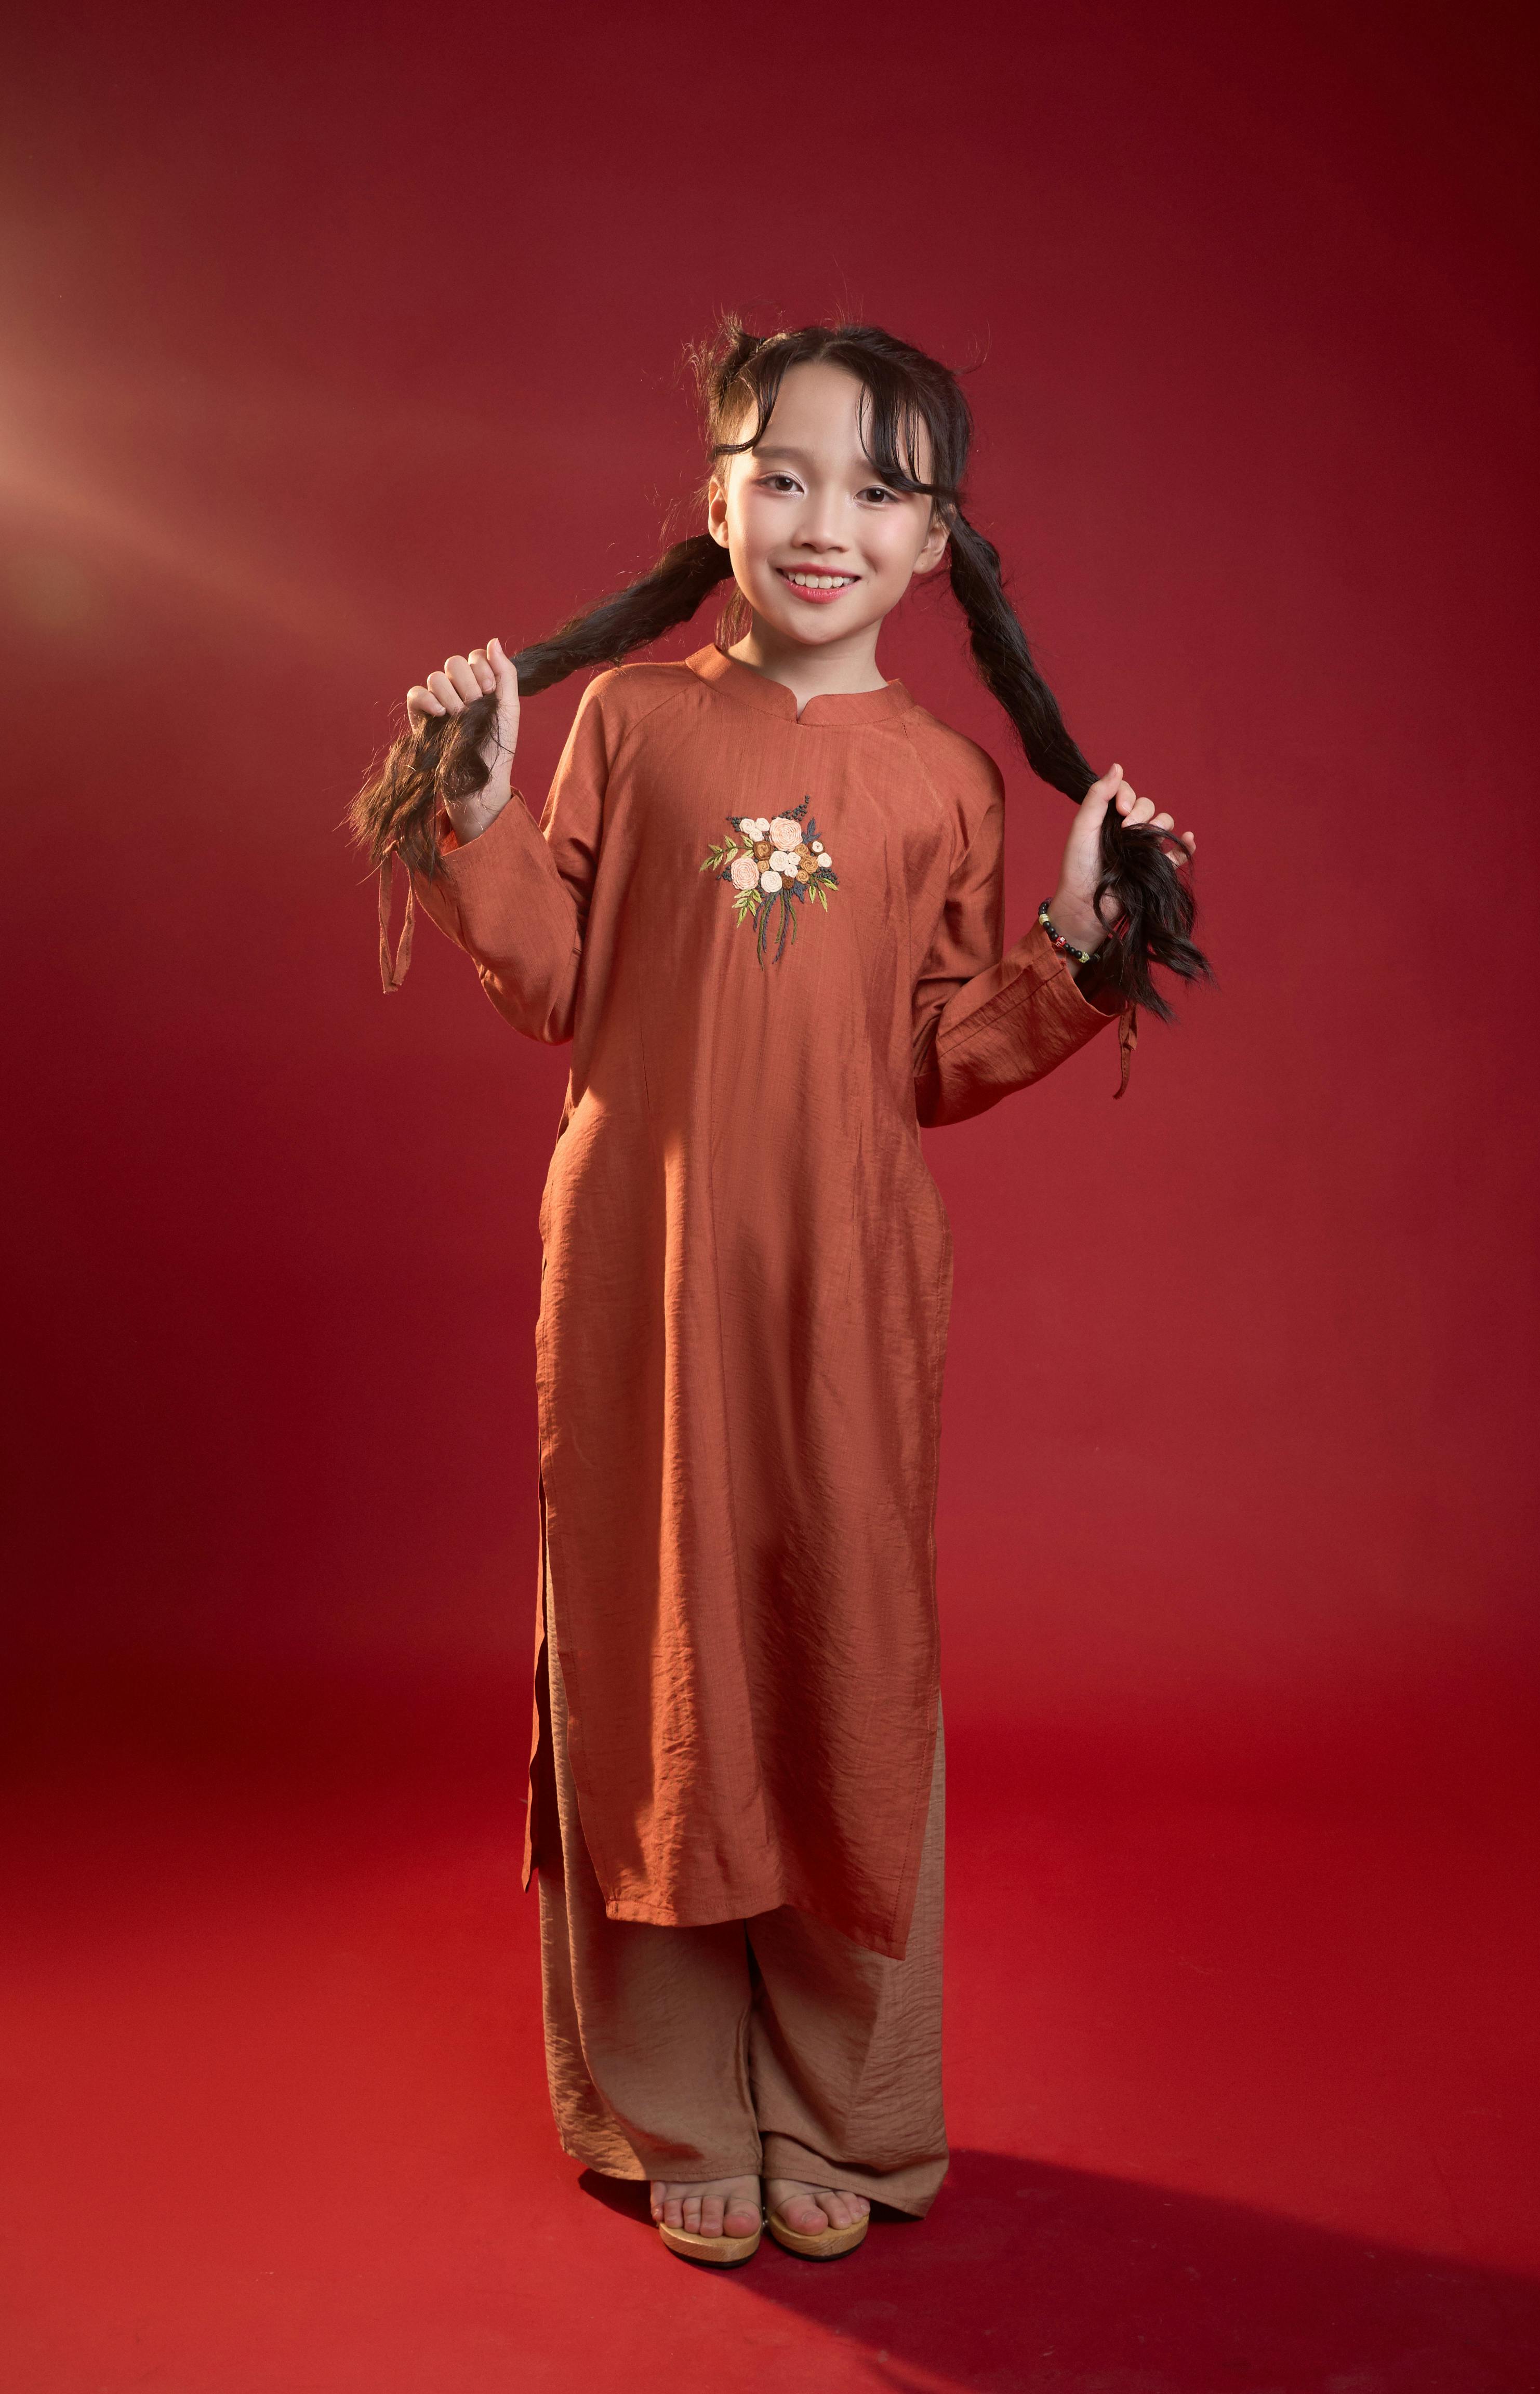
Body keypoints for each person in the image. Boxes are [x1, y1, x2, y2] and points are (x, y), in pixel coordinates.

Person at [351, 320, 1204, 2267]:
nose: (828, 520)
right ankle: (665, 2098)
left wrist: (1078, 948)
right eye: (788, 472)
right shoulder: (633, 727)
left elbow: (936, 1059)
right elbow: (563, 985)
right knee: (653, 1656)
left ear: (939, 549)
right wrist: (477, 811)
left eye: (881, 490)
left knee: (836, 1660)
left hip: (846, 1288)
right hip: (638, 1265)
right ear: (720, 496)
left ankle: (845, 2101)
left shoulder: (949, 784)